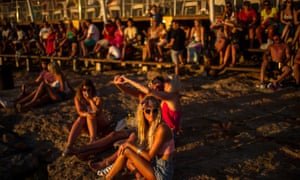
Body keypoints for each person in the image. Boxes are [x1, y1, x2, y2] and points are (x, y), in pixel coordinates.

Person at [104, 96, 175, 180]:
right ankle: (138, 176)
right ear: (143, 112)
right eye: (148, 111)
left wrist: (129, 145)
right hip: (154, 163)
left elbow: (149, 156)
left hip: (162, 173)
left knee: (127, 151)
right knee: (128, 158)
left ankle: (108, 177)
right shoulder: (150, 125)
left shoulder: (162, 128)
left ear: (158, 111)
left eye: (155, 110)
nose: (152, 114)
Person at [62, 79, 110, 156]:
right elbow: (80, 112)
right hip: (88, 126)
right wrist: (86, 114)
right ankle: (69, 145)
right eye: (84, 90)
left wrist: (90, 100)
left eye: (89, 90)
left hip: (100, 124)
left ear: (92, 89)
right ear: (81, 90)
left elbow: (97, 111)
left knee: (92, 115)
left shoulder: (97, 98)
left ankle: (92, 140)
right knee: (81, 118)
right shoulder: (78, 98)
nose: (86, 92)